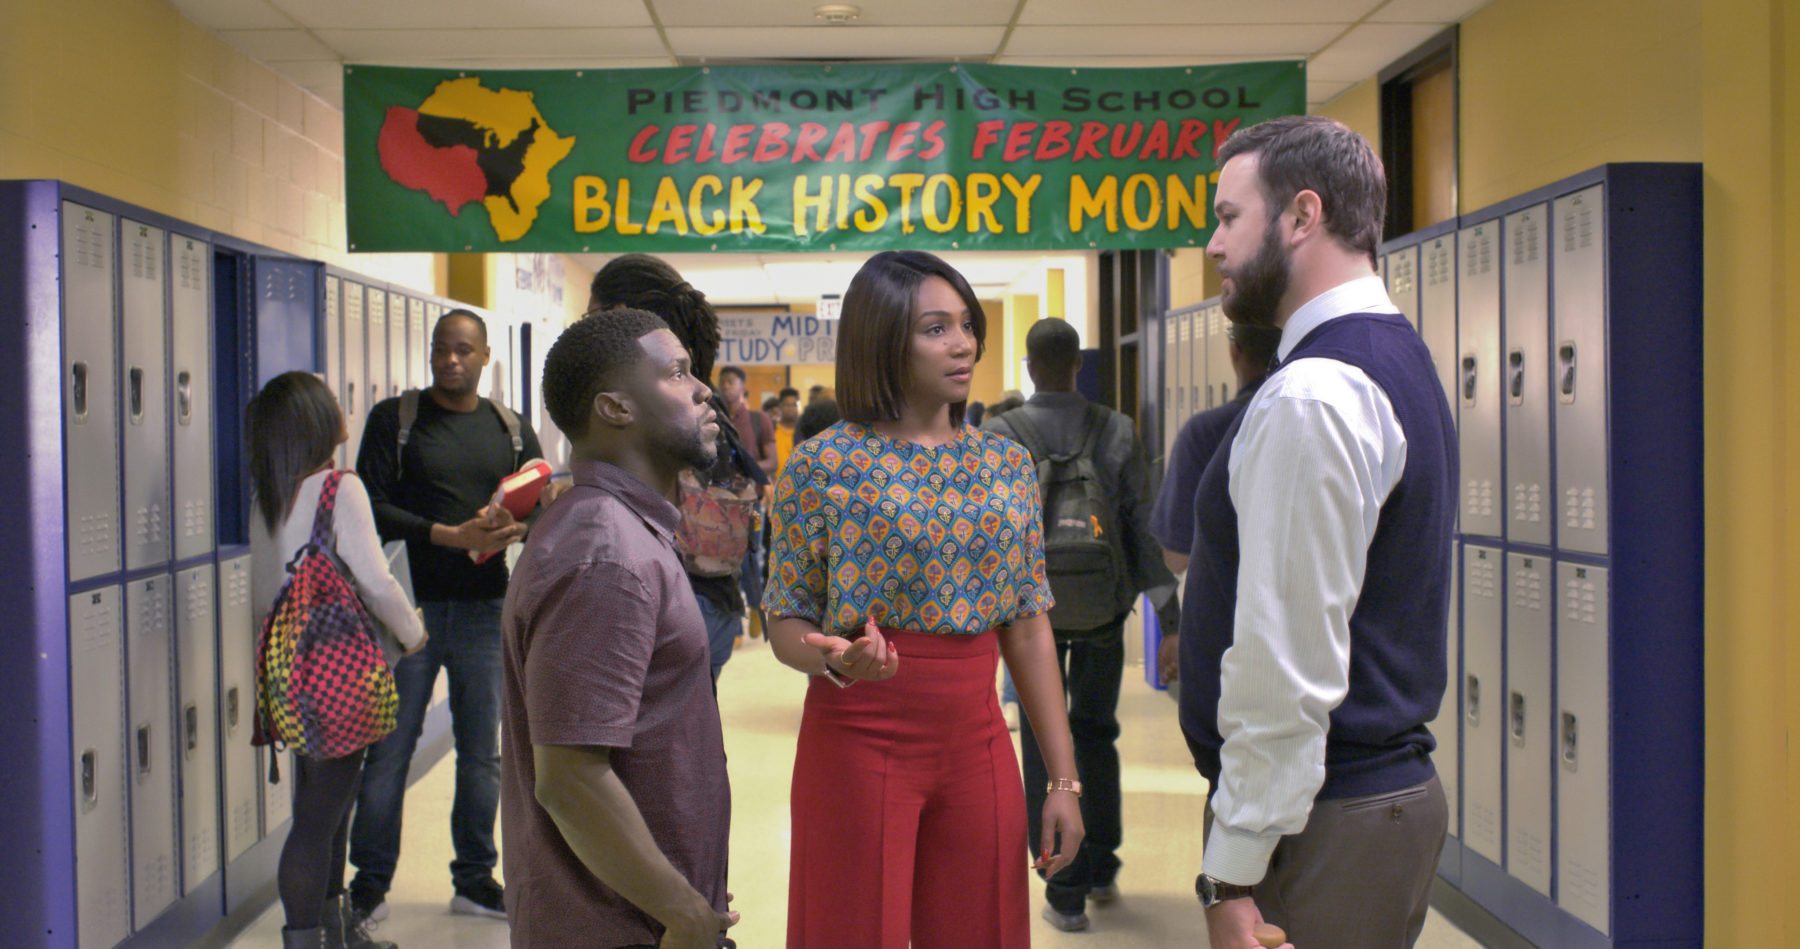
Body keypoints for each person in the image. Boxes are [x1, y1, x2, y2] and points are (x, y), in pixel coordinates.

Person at [1184, 115, 1457, 949]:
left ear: (1303, 215)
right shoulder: (1387, 355)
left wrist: (1232, 869)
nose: (1214, 244)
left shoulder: (1316, 394)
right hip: (1353, 804)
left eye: (1229, 217)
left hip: (1321, 822)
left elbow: (1287, 662)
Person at [764, 250, 1084, 948]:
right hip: (857, 737)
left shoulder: (1005, 464)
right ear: (882, 340)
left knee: (983, 929)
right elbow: (785, 617)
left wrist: (1063, 779)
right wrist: (831, 656)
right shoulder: (821, 465)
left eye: (967, 324)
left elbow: (1029, 625)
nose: (963, 343)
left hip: (977, 740)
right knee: (852, 931)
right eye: (936, 328)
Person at [501, 308, 735, 949]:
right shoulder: (606, 554)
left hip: (640, 912)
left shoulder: (626, 531)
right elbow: (571, 778)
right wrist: (683, 911)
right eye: (678, 373)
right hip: (614, 927)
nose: (703, 390)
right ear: (615, 408)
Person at [348, 309, 544, 924]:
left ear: (485, 356)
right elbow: (370, 505)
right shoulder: (397, 420)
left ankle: (475, 879)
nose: (450, 360)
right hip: (409, 612)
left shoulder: (511, 429)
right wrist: (449, 535)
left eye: (462, 350)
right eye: (441, 349)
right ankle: (369, 886)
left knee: (482, 754)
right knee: (389, 752)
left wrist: (514, 528)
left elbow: (540, 506)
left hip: (486, 610)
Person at [980, 318, 1176, 932]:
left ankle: (1062, 890)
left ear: (1030, 366)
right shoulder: (1116, 430)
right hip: (1102, 613)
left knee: (1044, 740)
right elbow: (1142, 530)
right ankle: (1101, 865)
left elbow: (985, 538)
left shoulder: (999, 435)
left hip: (1027, 618)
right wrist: (1170, 617)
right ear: (1077, 365)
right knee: (1096, 733)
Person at [248, 372, 426, 949]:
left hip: (289, 672)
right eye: (330, 399)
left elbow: (262, 597)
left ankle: (336, 933)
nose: (339, 404)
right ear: (315, 421)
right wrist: (413, 633)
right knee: (316, 822)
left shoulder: (269, 495)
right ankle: (309, 938)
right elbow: (377, 581)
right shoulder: (338, 488)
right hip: (337, 674)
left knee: (328, 808)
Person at [589, 254, 768, 681]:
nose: (586, 332)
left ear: (619, 314)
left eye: (591, 317)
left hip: (675, 604)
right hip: (714, 601)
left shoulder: (652, 402)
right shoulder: (703, 396)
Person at [1148, 321, 1282, 683]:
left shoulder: (1205, 433)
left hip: (1221, 630)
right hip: (1301, 631)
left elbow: (1175, 555)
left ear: (1235, 351)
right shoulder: (1313, 421)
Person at [717, 365, 776, 639]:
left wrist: (741, 467)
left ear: (743, 386)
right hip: (716, 501)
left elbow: (772, 461)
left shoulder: (757, 419)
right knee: (722, 561)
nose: (726, 386)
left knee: (750, 558)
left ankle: (754, 607)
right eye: (722, 381)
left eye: (731, 381)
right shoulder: (712, 417)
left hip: (750, 500)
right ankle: (734, 619)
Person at [771, 387, 800, 473]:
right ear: (780, 407)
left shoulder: (803, 432)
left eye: (794, 405)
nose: (791, 408)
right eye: (787, 405)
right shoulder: (772, 430)